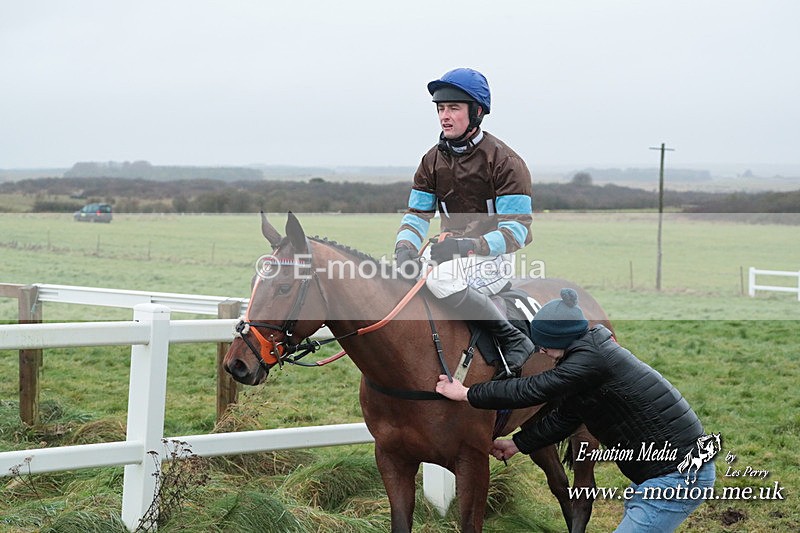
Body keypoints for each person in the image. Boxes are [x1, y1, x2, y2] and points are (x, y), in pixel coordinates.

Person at [436, 288, 716, 532]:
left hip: (677, 477)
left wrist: (467, 393)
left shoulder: (586, 363)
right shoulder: (590, 354)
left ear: (561, 338)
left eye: (543, 343)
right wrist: (517, 444)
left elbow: (531, 388)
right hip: (659, 475)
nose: (540, 351)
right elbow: (567, 417)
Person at [394, 67, 534, 378]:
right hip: (446, 254)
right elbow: (417, 214)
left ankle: (513, 339)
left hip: (493, 259)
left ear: (477, 112)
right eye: (441, 108)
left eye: (454, 108)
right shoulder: (431, 160)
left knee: (441, 280)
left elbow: (517, 231)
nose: (445, 116)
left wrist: (467, 246)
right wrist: (404, 248)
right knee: (393, 278)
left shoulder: (507, 163)